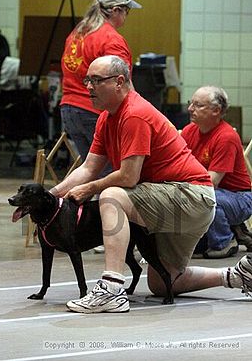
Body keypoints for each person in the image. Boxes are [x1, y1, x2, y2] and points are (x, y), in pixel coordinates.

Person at [51, 55, 252, 314]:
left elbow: (128, 177)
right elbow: (89, 168)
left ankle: (111, 288)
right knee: (164, 281)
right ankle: (236, 276)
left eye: (96, 80)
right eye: (87, 80)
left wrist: (90, 189)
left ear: (119, 82)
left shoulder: (134, 114)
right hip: (178, 200)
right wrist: (51, 197)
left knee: (112, 195)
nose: (88, 86)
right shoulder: (106, 118)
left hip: (192, 197)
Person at [60, 0, 141, 162]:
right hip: (94, 112)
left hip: (69, 110)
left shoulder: (77, 34)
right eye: (126, 12)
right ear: (116, 10)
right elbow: (122, 83)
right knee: (110, 173)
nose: (126, 17)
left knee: (91, 171)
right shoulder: (111, 39)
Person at [181, 86, 252, 259]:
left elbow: (211, 182)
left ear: (216, 111)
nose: (190, 109)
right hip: (215, 192)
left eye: (198, 105)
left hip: (240, 197)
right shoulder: (190, 131)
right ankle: (235, 228)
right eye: (191, 103)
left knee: (206, 198)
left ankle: (225, 241)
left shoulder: (225, 137)